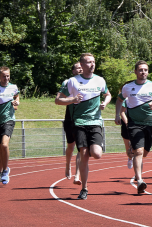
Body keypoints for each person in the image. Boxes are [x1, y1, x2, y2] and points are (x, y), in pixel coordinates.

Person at [55, 53, 111, 200]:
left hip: (95, 122)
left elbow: (108, 94)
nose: (92, 64)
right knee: (84, 155)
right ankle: (84, 188)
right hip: (79, 122)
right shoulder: (72, 81)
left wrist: (105, 103)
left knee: (97, 154)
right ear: (82, 64)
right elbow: (58, 100)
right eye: (88, 62)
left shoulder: (100, 80)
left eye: (93, 61)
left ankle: (95, 146)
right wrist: (73, 99)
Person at [115, 60, 152, 194]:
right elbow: (119, 99)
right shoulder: (128, 87)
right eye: (140, 70)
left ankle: (132, 151)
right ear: (135, 71)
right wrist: (117, 115)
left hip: (151, 124)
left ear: (148, 72)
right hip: (134, 124)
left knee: (144, 153)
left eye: (145, 70)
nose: (143, 72)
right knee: (138, 152)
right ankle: (139, 181)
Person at [55, 62, 82, 185]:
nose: (80, 69)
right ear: (73, 71)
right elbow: (58, 98)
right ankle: (67, 165)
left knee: (81, 148)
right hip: (70, 118)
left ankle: (77, 175)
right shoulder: (68, 82)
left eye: (82, 67)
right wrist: (72, 100)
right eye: (77, 68)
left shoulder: (90, 82)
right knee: (71, 146)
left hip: (84, 119)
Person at [120, 99, 134, 169]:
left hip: (138, 122)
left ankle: (137, 159)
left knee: (138, 145)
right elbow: (122, 112)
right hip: (127, 122)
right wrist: (127, 123)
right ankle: (130, 158)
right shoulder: (126, 99)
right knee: (128, 145)